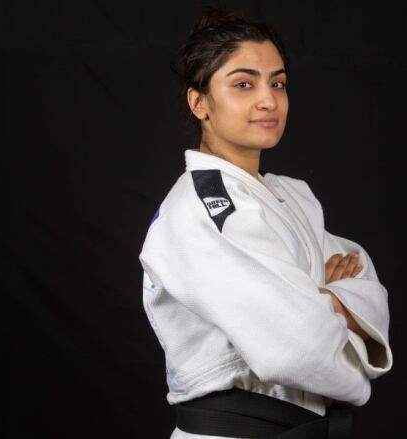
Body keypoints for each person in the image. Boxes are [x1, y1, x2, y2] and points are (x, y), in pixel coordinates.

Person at [139, 6, 393, 438]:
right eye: (243, 84)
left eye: (277, 82)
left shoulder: (294, 194)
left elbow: (364, 277)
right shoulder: (201, 208)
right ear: (199, 101)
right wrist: (334, 304)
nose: (268, 99)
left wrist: (317, 301)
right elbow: (299, 348)